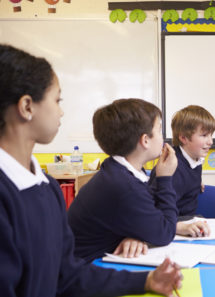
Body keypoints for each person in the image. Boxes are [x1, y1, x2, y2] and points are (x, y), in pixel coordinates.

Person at [0, 44, 181, 297]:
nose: (61, 110)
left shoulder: (46, 186)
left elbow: (67, 274)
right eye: (57, 100)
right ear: (27, 107)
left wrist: (146, 281)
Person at [68, 99, 210, 262]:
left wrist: (137, 235)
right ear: (145, 140)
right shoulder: (124, 185)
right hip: (85, 270)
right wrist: (165, 178)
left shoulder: (118, 170)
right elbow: (164, 234)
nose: (163, 137)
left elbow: (147, 214)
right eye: (159, 130)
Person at [149, 105, 215, 221]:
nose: (210, 141)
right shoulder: (172, 167)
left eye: (211, 135)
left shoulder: (194, 159)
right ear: (184, 138)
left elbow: (187, 176)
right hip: (173, 226)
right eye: (204, 135)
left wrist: (196, 181)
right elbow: (156, 212)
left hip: (187, 220)